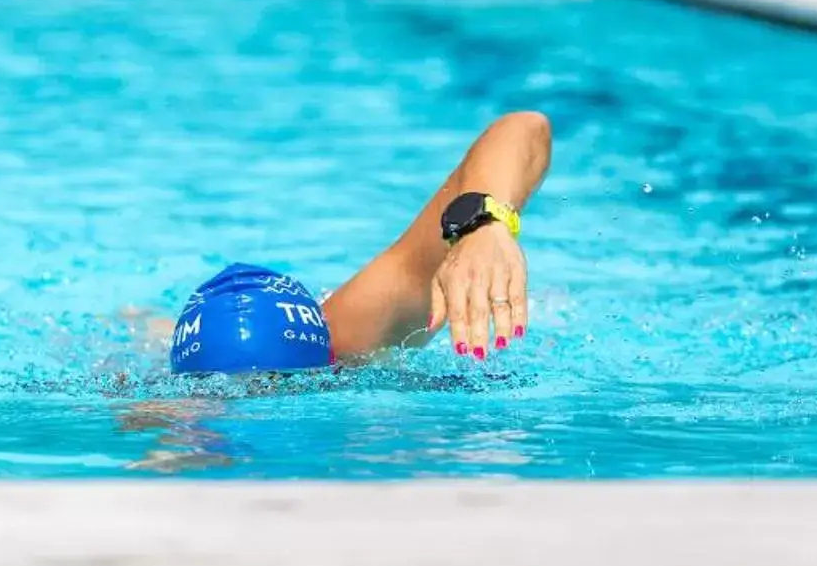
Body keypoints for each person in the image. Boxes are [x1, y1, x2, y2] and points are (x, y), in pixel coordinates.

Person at [164, 110, 553, 374]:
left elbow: (525, 128)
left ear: (329, 362)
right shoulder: (169, 415)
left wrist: (481, 223)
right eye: (220, 403)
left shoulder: (355, 335)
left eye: (280, 390)